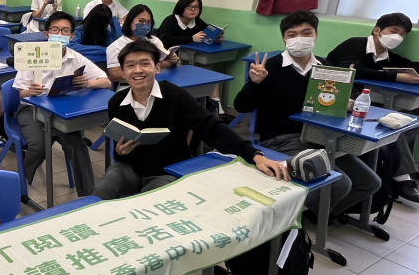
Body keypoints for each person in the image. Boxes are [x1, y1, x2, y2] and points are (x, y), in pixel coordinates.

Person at [233, 10, 381, 218]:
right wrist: (255, 84)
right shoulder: (270, 68)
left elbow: (337, 101)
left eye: (306, 33)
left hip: (321, 137)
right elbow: (241, 106)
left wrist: (348, 103)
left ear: (316, 35)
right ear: (284, 39)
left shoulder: (326, 67)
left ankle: (316, 216)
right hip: (282, 140)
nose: (299, 39)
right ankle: (307, 218)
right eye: (292, 35)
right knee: (340, 184)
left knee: (370, 182)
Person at [94, 40, 287, 199]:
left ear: (157, 67)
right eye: (130, 65)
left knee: (152, 201)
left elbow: (210, 127)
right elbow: (120, 150)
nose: (138, 70)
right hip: (130, 169)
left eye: (145, 63)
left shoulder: (175, 96)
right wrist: (120, 152)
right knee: (103, 190)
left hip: (168, 170)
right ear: (123, 72)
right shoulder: (117, 102)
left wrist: (254, 155)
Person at [325, 12, 419, 204]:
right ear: (377, 30)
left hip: (361, 100)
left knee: (412, 122)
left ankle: (392, 166)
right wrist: (396, 76)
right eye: (394, 31)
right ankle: (402, 179)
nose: (398, 37)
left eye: (402, 34)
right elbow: (354, 71)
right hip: (336, 99)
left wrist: (405, 72)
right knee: (390, 125)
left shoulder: (385, 56)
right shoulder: (354, 45)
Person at [14, 11, 111, 196]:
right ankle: (18, 185)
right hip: (31, 109)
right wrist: (30, 91)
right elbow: (21, 94)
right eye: (55, 30)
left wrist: (88, 83)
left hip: (61, 112)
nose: (60, 34)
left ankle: (88, 197)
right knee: (39, 146)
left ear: (71, 36)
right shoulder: (33, 54)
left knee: (78, 146)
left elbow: (105, 81)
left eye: (65, 30)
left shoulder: (76, 58)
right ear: (47, 33)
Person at [155, 0, 225, 112]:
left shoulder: (196, 21)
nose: (193, 10)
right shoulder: (171, 20)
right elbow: (165, 39)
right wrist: (191, 38)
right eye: (189, 6)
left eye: (196, 7)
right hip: (167, 60)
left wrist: (216, 38)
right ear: (181, 6)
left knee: (211, 73)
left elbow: (206, 33)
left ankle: (217, 108)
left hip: (186, 59)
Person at [107, 4, 177, 86]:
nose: (145, 25)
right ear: (130, 21)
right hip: (128, 85)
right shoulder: (116, 46)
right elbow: (114, 75)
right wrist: (145, 70)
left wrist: (172, 62)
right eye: (141, 21)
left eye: (148, 22)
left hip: (156, 82)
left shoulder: (154, 41)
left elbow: (161, 64)